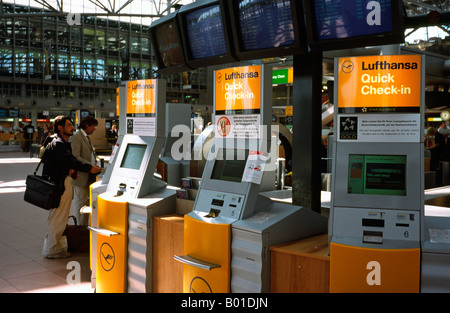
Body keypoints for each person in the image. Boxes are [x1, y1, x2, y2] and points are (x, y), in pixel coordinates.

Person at [41, 115, 101, 259]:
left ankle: (51, 245)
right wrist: (88, 168)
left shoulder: (56, 141)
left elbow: (61, 163)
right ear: (60, 127)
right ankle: (53, 249)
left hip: (58, 183)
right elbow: (71, 160)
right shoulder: (59, 143)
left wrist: (70, 171)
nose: (72, 128)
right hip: (59, 186)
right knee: (59, 217)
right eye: (68, 125)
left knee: (57, 216)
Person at [70, 115, 99, 226]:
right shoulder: (77, 136)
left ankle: (84, 228)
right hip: (81, 176)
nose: (94, 129)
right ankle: (80, 229)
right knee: (81, 205)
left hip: (89, 175)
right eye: (93, 126)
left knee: (86, 203)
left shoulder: (86, 136)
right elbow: (75, 156)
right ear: (86, 125)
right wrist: (90, 166)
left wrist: (94, 165)